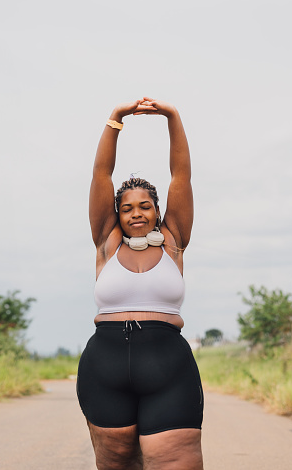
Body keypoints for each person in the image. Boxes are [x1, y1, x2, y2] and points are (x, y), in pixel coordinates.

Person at [77, 97, 204, 470]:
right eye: (127, 207)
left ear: (157, 211)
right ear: (117, 214)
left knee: (177, 462)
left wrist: (172, 117)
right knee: (117, 464)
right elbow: (101, 175)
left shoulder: (174, 240)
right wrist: (116, 119)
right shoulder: (107, 241)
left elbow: (182, 176)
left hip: (168, 365)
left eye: (145, 206)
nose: (136, 213)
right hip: (105, 366)